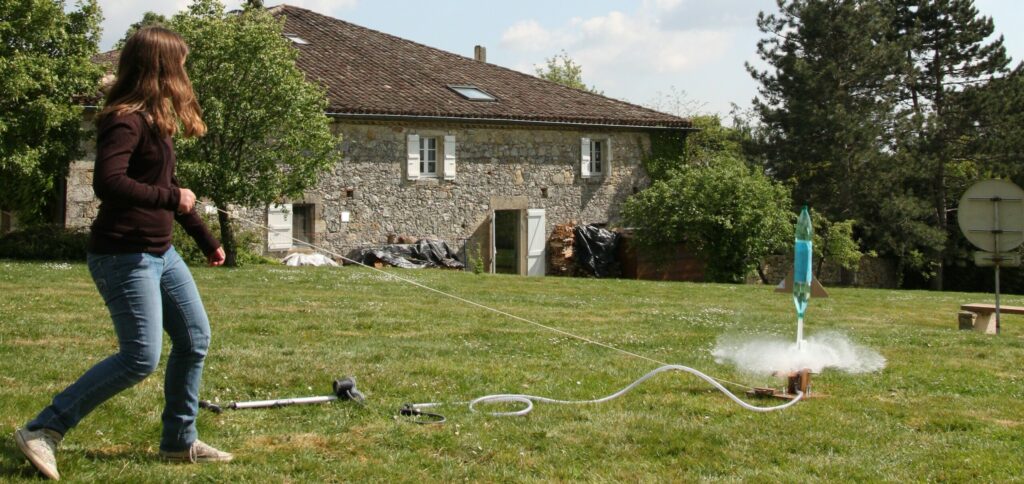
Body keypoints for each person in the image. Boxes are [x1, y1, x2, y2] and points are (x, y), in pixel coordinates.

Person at [15, 27, 232, 480]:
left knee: (194, 340)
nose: (185, 72)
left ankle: (179, 441)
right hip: (123, 256)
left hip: (162, 254)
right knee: (139, 357)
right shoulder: (125, 119)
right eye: (182, 64)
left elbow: (172, 190)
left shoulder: (156, 123)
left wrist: (205, 238)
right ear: (162, 68)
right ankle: (43, 429)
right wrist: (174, 201)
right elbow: (108, 183)